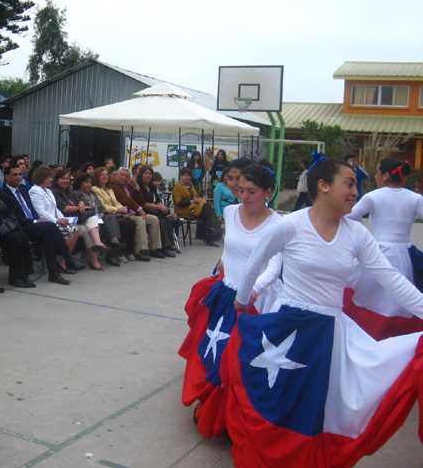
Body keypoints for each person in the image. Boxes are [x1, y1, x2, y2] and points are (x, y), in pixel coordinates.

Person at [224, 155, 423, 467]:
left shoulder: (357, 234)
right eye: (350, 183)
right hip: (289, 328)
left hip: (330, 335)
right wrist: (242, 299)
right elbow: (256, 263)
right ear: (323, 186)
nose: (356, 191)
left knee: (319, 408)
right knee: (281, 403)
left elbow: (393, 280)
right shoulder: (291, 224)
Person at [178, 163, 283, 438]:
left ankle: (236, 417)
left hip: (257, 300)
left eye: (251, 191)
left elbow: (274, 266)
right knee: (217, 352)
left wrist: (253, 291)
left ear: (268, 192)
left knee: (244, 360)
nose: (244, 196)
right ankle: (216, 410)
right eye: (241, 190)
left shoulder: (279, 224)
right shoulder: (229, 211)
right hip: (226, 292)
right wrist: (223, 264)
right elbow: (230, 246)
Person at [344, 157, 423, 339]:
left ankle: (366, 335)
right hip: (404, 256)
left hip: (377, 253)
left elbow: (349, 215)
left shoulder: (374, 196)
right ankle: (395, 337)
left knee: (369, 295)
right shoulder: (414, 197)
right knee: (398, 297)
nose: (375, 175)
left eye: (378, 172)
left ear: (386, 175)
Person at [0, 163, 85, 285]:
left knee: (48, 236)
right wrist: (35, 220)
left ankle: (53, 273)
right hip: (20, 227)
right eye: (15, 175)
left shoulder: (23, 190)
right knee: (50, 226)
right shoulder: (3, 194)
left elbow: (32, 210)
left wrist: (37, 219)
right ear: (6, 176)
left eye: (20, 174)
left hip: (33, 223)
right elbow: (14, 217)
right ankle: (68, 259)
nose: (19, 177)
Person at [51, 168, 109, 271]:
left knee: (91, 221)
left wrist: (81, 203)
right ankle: (64, 261)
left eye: (67, 178)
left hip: (76, 219)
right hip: (64, 221)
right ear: (56, 180)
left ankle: (96, 247)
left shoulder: (69, 190)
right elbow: (64, 208)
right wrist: (80, 207)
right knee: (87, 228)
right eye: (63, 179)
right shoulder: (54, 192)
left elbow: (79, 201)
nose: (66, 181)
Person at [29, 166, 83, 273]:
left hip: (54, 220)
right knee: (71, 230)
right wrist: (57, 221)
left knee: (75, 228)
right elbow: (41, 212)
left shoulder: (48, 191)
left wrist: (63, 218)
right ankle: (65, 261)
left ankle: (63, 261)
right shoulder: (35, 191)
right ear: (43, 178)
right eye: (50, 177)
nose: (51, 179)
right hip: (45, 222)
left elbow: (55, 209)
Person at [73, 172, 125, 266]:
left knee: (110, 218)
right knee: (109, 227)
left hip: (99, 217)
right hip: (88, 219)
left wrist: (102, 213)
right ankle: (112, 255)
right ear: (80, 183)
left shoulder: (92, 193)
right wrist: (95, 214)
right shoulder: (77, 194)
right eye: (86, 182)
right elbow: (83, 211)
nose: (89, 184)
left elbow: (101, 205)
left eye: (90, 182)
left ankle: (114, 242)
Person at [110, 167, 162, 260]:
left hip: (134, 212)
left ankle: (155, 249)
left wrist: (136, 186)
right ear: (117, 175)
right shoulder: (114, 185)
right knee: (141, 220)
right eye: (122, 175)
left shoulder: (129, 185)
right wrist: (138, 209)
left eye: (126, 176)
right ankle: (139, 250)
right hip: (124, 213)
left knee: (154, 219)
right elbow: (125, 199)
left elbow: (140, 199)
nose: (124, 177)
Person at [92, 166, 136, 264]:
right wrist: (117, 210)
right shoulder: (95, 189)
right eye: (101, 175)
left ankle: (128, 251)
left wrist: (122, 209)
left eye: (106, 174)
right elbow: (102, 205)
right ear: (97, 177)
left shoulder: (109, 189)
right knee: (124, 223)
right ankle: (118, 253)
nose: (104, 176)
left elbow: (116, 202)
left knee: (132, 223)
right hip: (105, 214)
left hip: (114, 213)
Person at [173, 167, 220, 246]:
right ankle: (210, 234)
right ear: (181, 176)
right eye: (186, 175)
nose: (188, 177)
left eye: (189, 176)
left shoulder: (191, 185)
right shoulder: (177, 187)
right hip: (184, 210)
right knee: (207, 210)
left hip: (193, 209)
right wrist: (191, 201)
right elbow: (178, 203)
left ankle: (209, 234)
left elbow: (196, 195)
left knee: (207, 209)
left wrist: (196, 199)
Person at [137, 165, 176, 257]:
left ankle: (169, 245)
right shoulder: (140, 187)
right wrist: (159, 208)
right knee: (161, 220)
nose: (148, 175)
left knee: (169, 219)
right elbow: (143, 203)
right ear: (141, 175)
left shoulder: (152, 187)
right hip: (145, 211)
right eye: (145, 173)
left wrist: (163, 208)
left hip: (155, 210)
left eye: (150, 174)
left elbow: (158, 200)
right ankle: (162, 248)